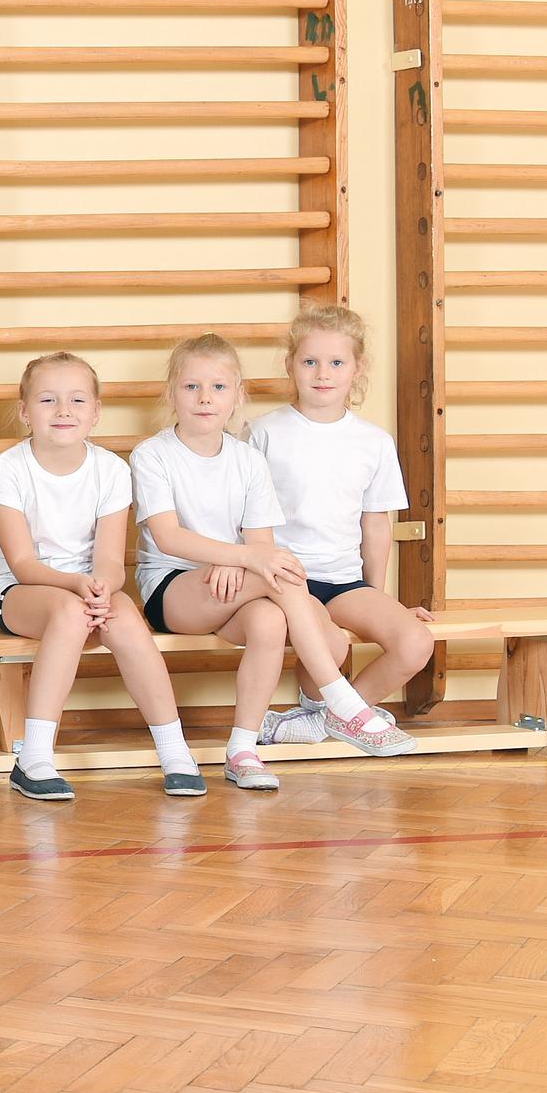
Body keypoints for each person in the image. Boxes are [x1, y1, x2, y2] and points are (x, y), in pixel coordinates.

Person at [135, 333, 414, 792]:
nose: (206, 398)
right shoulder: (154, 454)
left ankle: (242, 750)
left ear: (238, 395)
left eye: (219, 388)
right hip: (176, 587)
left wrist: (245, 561)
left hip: (236, 582)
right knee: (282, 578)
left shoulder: (247, 459)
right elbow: (170, 536)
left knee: (268, 622)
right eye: (191, 387)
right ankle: (344, 703)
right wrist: (243, 558)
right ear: (172, 394)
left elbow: (261, 542)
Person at [0, 351, 198, 803]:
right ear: (24, 411)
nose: (63, 411)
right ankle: (33, 757)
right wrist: (79, 588)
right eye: (48, 400)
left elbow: (111, 561)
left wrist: (101, 587)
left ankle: (175, 750)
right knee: (67, 611)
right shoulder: (7, 469)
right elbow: (21, 563)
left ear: (96, 412)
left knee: (125, 618)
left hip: (87, 588)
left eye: (77, 400)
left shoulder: (112, 470)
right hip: (19, 590)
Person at [246, 303, 437, 747]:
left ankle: (332, 718)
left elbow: (376, 526)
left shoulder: (373, 442)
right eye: (309, 361)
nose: (322, 373)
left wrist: (379, 596)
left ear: (357, 367)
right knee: (333, 646)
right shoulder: (265, 432)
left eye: (336, 362)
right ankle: (340, 714)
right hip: (285, 578)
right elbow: (244, 517)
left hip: (346, 581)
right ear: (290, 364)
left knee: (415, 643)